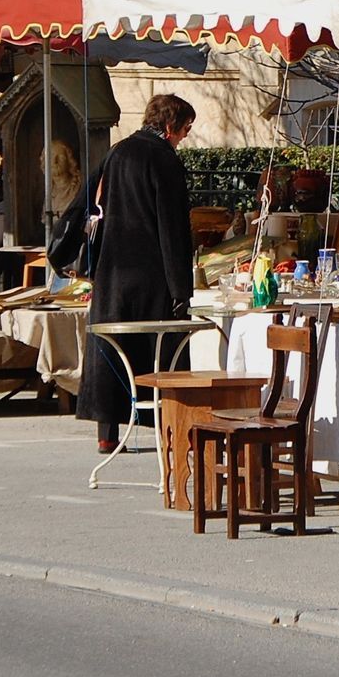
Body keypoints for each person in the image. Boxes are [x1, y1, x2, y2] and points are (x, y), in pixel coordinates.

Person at [81, 94, 197, 454]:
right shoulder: (164, 159)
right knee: (162, 352)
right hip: (152, 273)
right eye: (185, 129)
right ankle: (170, 426)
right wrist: (182, 288)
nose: (185, 137)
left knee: (112, 352)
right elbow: (173, 227)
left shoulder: (118, 153)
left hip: (113, 270)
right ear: (169, 126)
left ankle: (107, 431)